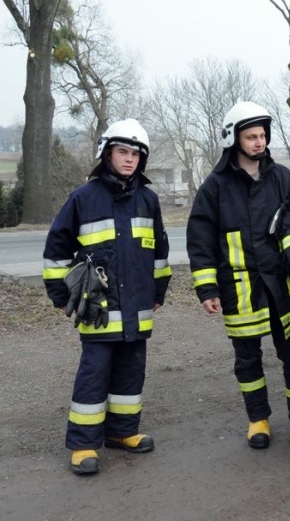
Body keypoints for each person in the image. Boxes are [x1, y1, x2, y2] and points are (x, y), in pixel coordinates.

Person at [186, 101, 290, 450]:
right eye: (251, 137)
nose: (259, 142)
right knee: (247, 359)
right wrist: (207, 288)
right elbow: (200, 241)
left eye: (262, 135)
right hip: (241, 288)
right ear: (233, 139)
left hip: (285, 285)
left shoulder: (283, 179)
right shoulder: (215, 187)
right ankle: (258, 419)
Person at [42, 118, 172, 475]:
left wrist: (159, 291)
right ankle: (83, 444)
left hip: (138, 307)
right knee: (94, 374)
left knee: (131, 372)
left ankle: (122, 432)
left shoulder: (148, 200)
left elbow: (159, 252)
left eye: (136, 154)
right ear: (107, 154)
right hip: (97, 308)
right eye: (122, 152)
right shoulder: (83, 198)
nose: (129, 159)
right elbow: (56, 250)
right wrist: (60, 295)